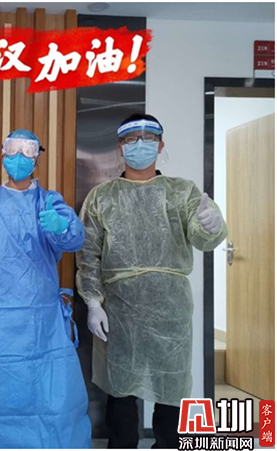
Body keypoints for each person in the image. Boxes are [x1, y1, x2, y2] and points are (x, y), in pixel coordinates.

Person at [76, 113, 228, 449]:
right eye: (132, 140)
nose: (140, 145)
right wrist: (93, 302)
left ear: (160, 146)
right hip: (119, 307)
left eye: (148, 139)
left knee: (171, 385)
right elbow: (88, 253)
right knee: (121, 387)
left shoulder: (181, 192)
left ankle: (167, 444)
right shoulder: (102, 197)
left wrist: (212, 226)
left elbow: (202, 237)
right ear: (120, 147)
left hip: (169, 308)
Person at [0, 129, 92, 449]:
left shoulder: (49, 202)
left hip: (43, 320)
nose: (19, 157)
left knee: (51, 394)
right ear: (3, 154)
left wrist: (62, 227)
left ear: (37, 158)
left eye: (27, 150)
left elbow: (74, 240)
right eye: (12, 149)